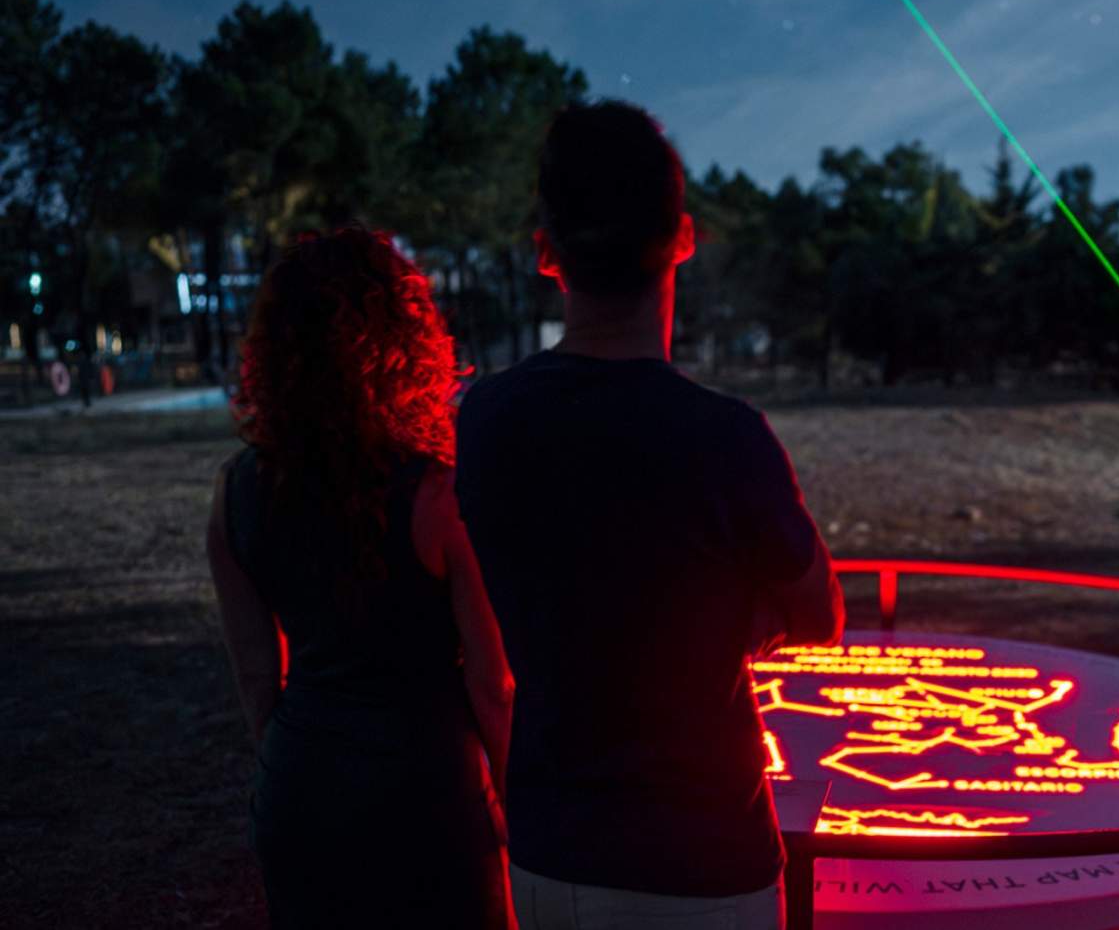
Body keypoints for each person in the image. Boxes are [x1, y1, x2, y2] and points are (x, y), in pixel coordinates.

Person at [454, 100, 845, 930]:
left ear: (545, 252)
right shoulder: (726, 437)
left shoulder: (483, 422)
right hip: (708, 860)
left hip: (552, 852)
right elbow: (822, 616)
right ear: (683, 238)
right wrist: (743, 613)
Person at [205, 227, 514, 928]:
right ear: (407, 346)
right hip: (430, 793)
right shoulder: (437, 495)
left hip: (300, 788)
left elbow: (258, 685)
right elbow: (492, 687)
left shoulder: (234, 495)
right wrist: (515, 803)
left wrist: (300, 772)